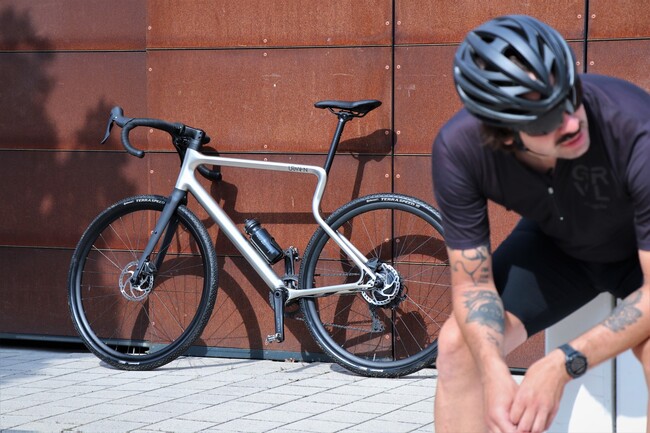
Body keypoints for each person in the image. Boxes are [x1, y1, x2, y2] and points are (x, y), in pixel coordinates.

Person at [431, 14, 650, 433]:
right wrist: (494, 371)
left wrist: (562, 364)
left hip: (638, 257)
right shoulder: (460, 151)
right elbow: (473, 286)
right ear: (504, 134)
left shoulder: (637, 129)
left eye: (571, 96)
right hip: (558, 249)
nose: (571, 122)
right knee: (458, 347)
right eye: (545, 118)